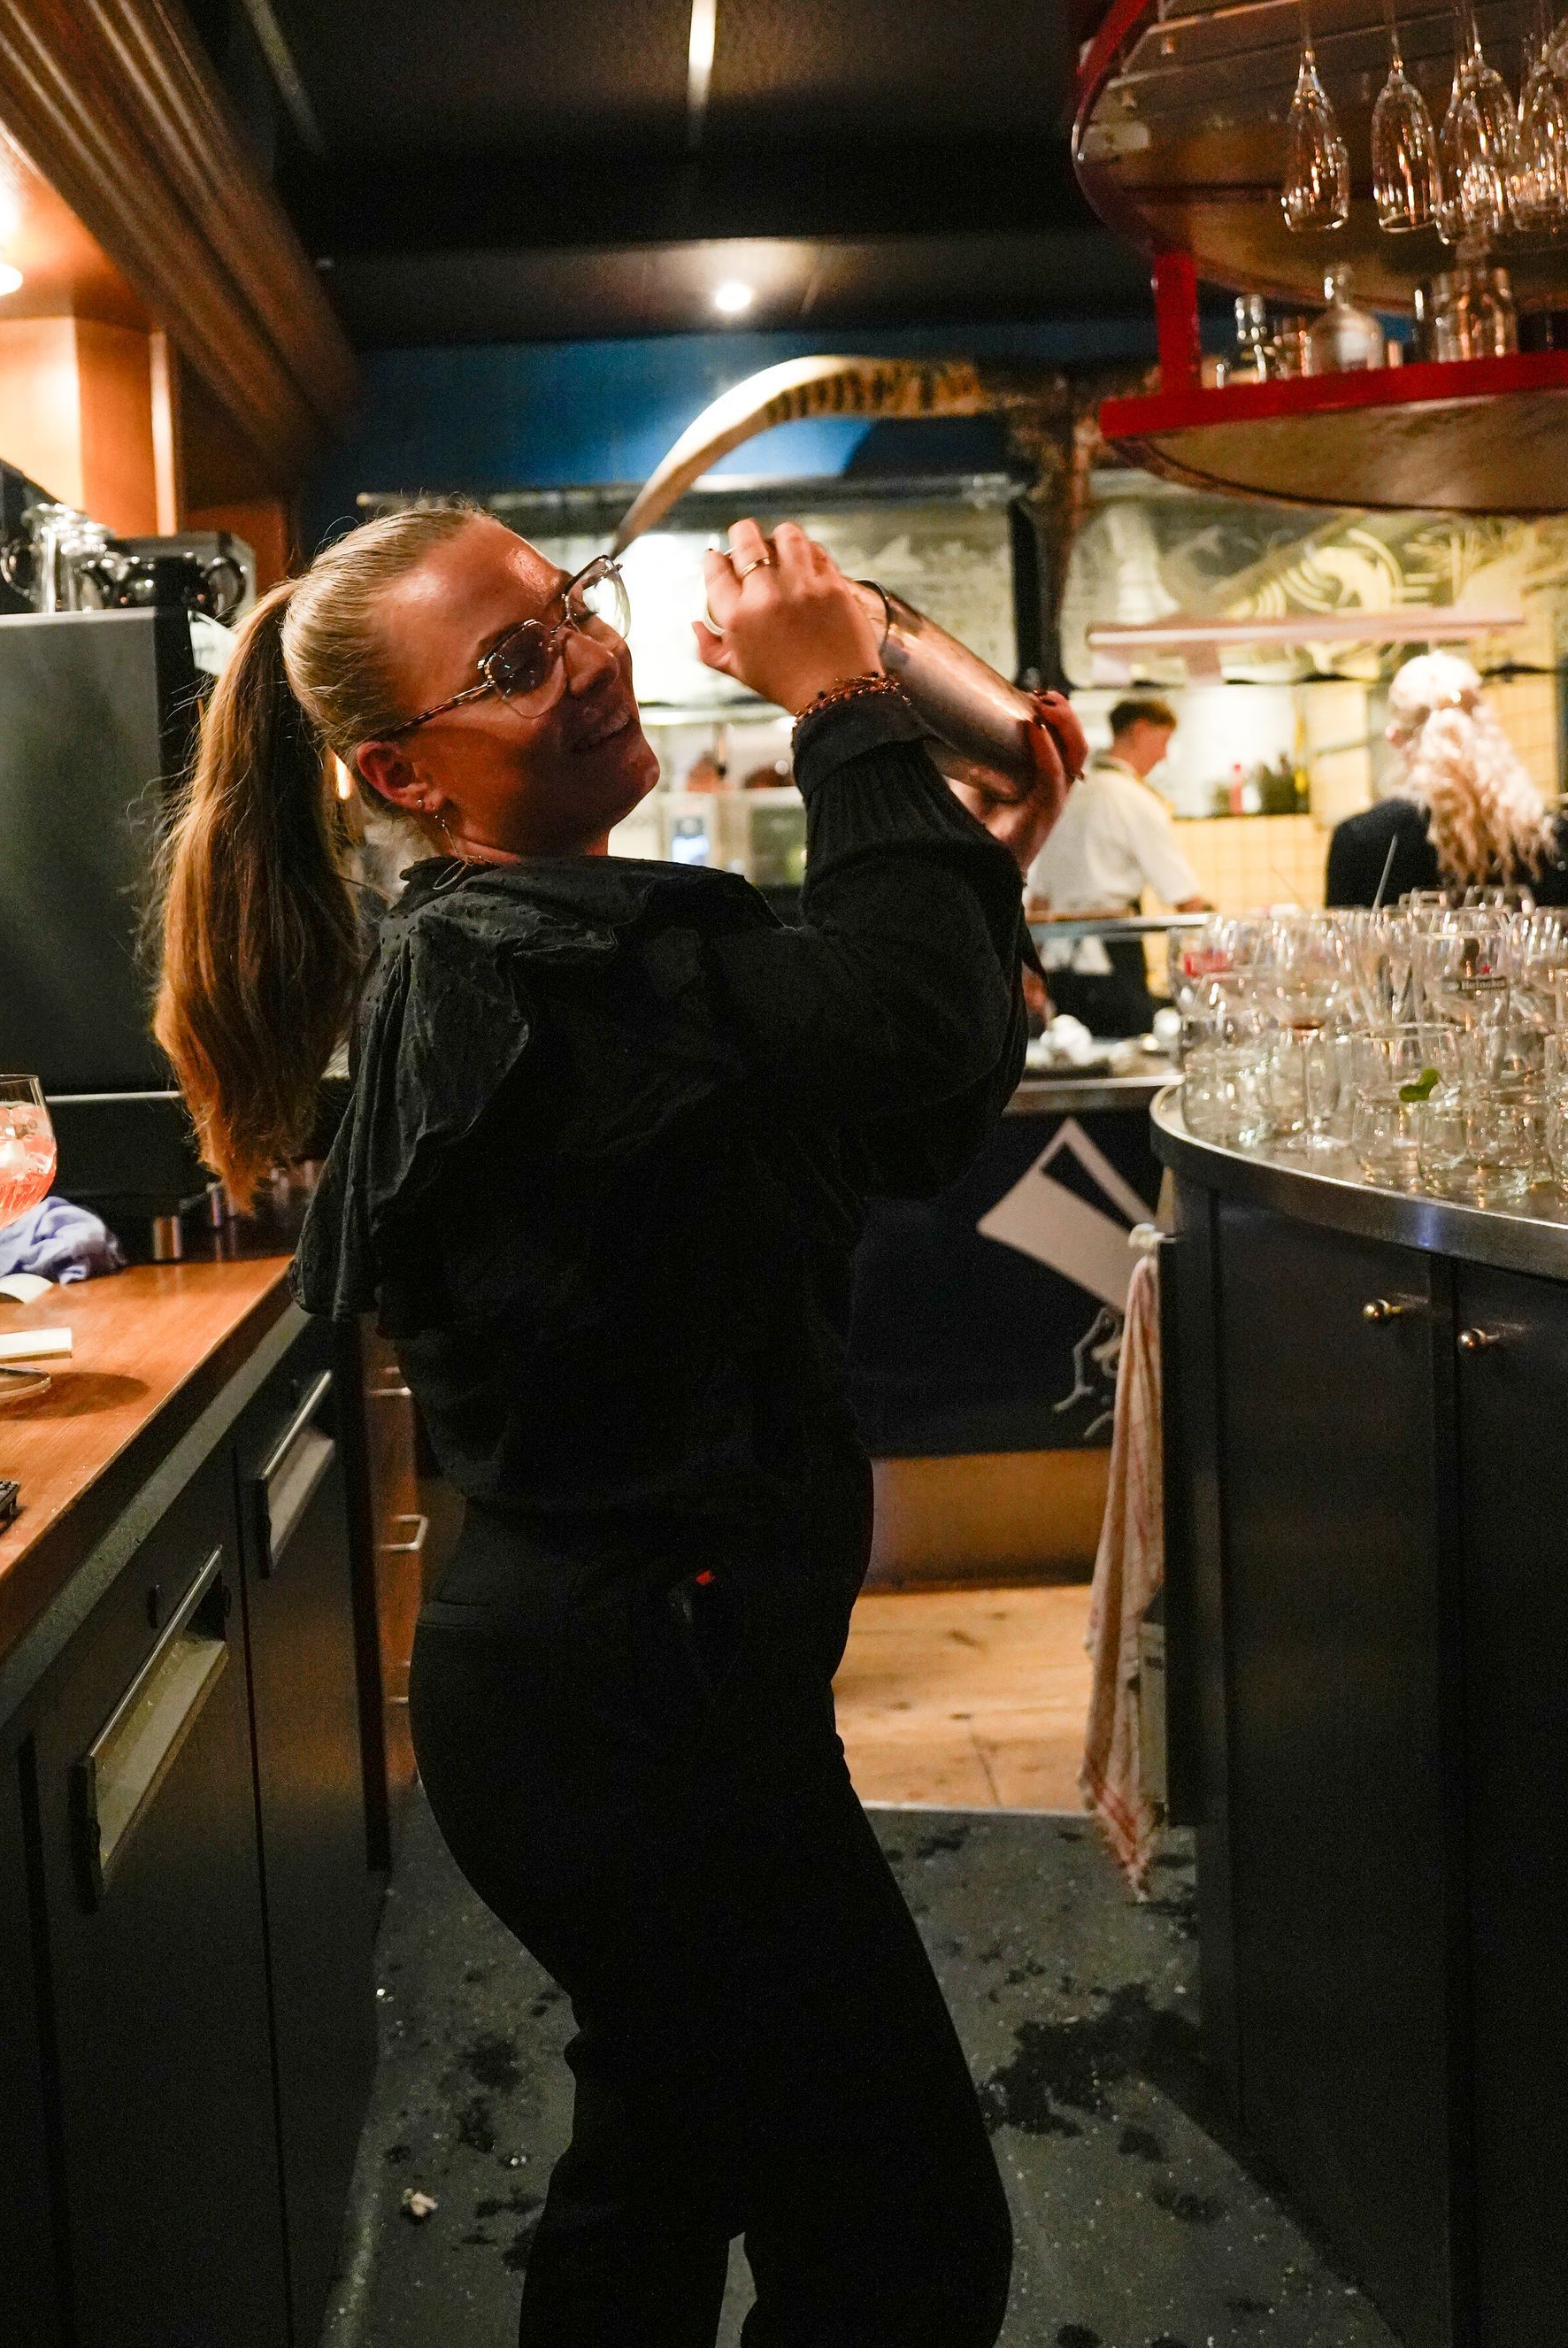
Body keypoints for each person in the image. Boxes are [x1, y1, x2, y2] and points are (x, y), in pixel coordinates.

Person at [154, 498, 1082, 2348]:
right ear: (400, 773)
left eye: (568, 606)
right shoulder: (526, 959)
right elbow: (897, 1038)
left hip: (638, 1686)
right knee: (899, 2244)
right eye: (509, 663)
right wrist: (843, 717)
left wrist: (964, 850)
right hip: (630, 1715)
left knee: (661, 2170)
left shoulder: (573, 941)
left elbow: (895, 1112)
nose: (585, 656)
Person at [1024, 694, 1209, 1036]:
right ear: (1139, 731)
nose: (1164, 755)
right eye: (1163, 741)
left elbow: (1039, 899)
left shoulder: (1067, 794)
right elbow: (1185, 896)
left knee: (1075, 1061)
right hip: (1112, 955)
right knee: (1126, 1059)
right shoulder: (1133, 798)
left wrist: (1028, 974)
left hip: (1059, 965)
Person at [1325, 651, 1568, 906]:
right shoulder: (1549, 836)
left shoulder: (1359, 840)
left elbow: (1341, 941)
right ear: (1488, 724)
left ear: (1395, 738)